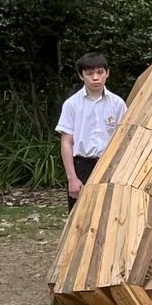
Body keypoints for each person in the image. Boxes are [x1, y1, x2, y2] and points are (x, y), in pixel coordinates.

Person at [56, 53, 127, 210]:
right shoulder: (71, 104)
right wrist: (72, 178)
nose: (95, 78)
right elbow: (66, 142)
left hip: (110, 165)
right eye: (89, 73)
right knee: (80, 215)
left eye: (100, 72)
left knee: (110, 212)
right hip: (82, 166)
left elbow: (124, 139)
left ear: (107, 73)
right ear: (81, 76)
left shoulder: (118, 104)